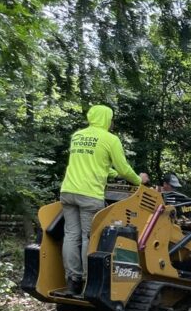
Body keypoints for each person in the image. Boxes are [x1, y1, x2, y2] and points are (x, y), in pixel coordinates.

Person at [59, 105, 148, 295]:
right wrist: (139, 180)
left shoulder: (78, 136)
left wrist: (112, 173)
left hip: (68, 191)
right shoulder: (110, 139)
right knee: (88, 237)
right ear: (107, 118)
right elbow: (124, 169)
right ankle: (86, 281)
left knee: (71, 236)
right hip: (89, 194)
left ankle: (71, 281)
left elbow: (94, 164)